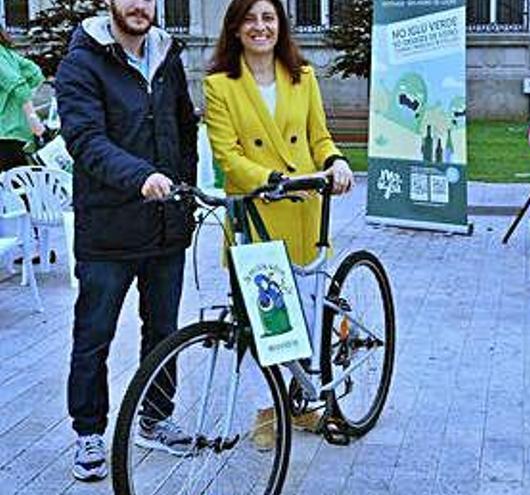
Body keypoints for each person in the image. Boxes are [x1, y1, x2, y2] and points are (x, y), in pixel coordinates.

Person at [54, 0, 199, 482]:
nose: (140, 5)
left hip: (165, 227)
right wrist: (142, 176)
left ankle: (155, 419)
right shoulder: (82, 61)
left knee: (163, 330)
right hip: (108, 231)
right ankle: (89, 432)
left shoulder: (167, 55)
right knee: (94, 335)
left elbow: (184, 130)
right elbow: (85, 140)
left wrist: (184, 194)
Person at [203, 0, 353, 444]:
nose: (260, 26)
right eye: (250, 18)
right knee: (261, 322)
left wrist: (336, 161)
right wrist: (269, 179)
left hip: (304, 208)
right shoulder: (218, 85)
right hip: (256, 212)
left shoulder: (302, 77)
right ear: (235, 28)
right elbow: (227, 154)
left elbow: (318, 136)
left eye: (268, 17)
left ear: (280, 25)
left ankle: (305, 406)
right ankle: (266, 411)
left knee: (306, 316)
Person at [0, 25, 45, 171]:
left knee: (15, 188)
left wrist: (33, 119)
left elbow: (17, 86)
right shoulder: (6, 53)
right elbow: (35, 74)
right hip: (15, 131)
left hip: (5, 133)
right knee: (22, 185)